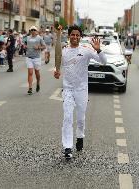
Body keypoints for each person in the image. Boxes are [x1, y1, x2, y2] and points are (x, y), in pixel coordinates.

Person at [54, 25, 107, 159]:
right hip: (68, 89)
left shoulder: (86, 50)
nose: (75, 37)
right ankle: (67, 147)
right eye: (73, 34)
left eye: (78, 35)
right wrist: (57, 70)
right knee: (67, 117)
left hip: (82, 89)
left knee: (80, 119)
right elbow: (58, 61)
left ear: (80, 37)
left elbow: (103, 62)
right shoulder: (64, 50)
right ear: (69, 36)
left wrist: (98, 50)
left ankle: (80, 136)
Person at [25, 26, 46, 94]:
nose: (33, 31)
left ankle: (38, 83)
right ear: (30, 31)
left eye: (34, 30)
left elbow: (44, 46)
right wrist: (25, 46)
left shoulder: (39, 38)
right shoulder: (28, 37)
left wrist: (38, 47)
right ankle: (30, 88)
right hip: (29, 57)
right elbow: (24, 44)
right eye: (32, 30)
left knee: (37, 73)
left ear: (36, 31)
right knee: (30, 72)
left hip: (36, 58)